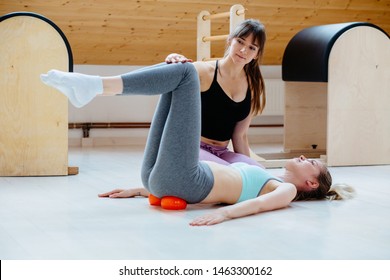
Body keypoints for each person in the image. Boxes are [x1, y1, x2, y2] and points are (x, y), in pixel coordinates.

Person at [41, 61, 354, 226]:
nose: (303, 156)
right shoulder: (258, 170)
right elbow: (218, 192)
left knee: (188, 73)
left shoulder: (284, 189)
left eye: (310, 162)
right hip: (160, 179)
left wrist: (224, 217)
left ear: (311, 183)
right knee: (177, 78)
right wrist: (142, 189)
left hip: (183, 179)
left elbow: (257, 206)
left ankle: (95, 87)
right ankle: (92, 87)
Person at [165, 19, 266, 168]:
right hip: (192, 147)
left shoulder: (253, 85)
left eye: (252, 47)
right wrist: (173, 57)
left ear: (257, 54)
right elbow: (175, 74)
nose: (244, 50)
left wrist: (251, 172)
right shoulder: (204, 71)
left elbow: (240, 135)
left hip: (222, 151)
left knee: (259, 172)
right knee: (227, 172)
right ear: (230, 41)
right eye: (240, 42)